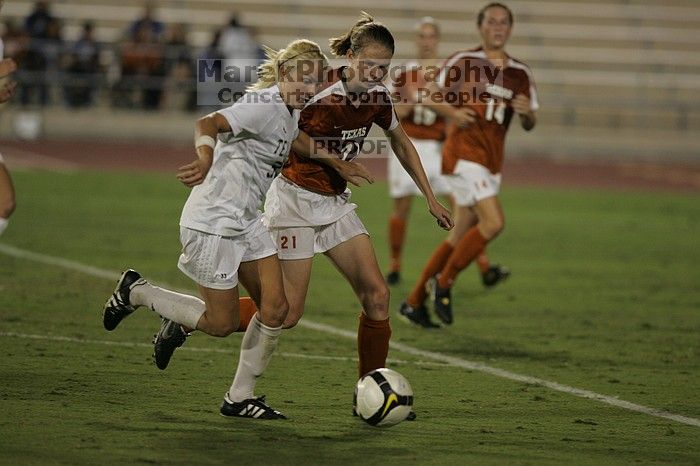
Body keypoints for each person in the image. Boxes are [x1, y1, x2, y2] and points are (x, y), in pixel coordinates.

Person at [101, 39, 341, 419]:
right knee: (221, 323)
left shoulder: (289, 109)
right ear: (283, 74)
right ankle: (138, 292)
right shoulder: (263, 105)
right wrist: (205, 155)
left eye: (315, 83)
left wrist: (338, 163)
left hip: (245, 220)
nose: (309, 90)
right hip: (213, 221)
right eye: (301, 80)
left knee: (277, 309)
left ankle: (239, 397)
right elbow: (207, 122)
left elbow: (293, 137)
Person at [262, 12, 453, 389]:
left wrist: (430, 197)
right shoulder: (317, 87)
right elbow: (288, 133)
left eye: (382, 68)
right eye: (368, 65)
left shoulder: (379, 96)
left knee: (378, 296)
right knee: (285, 313)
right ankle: (196, 319)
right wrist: (335, 162)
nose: (375, 74)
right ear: (350, 54)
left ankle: (370, 390)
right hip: (293, 201)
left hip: (333, 205)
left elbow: (401, 141)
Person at [400, 2, 538, 326]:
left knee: (457, 235)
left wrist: (527, 113)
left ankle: (414, 301)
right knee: (493, 223)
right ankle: (444, 283)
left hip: (490, 162)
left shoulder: (520, 73)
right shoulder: (465, 61)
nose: (498, 27)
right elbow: (429, 94)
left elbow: (531, 122)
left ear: (510, 28)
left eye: (504, 22)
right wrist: (452, 113)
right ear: (481, 27)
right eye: (492, 21)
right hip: (463, 156)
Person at [385, 17, 509, 309]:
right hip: (409, 143)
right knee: (402, 205)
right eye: (422, 36)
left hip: (440, 147)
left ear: (437, 40)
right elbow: (391, 113)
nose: (427, 41)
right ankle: (395, 265)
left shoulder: (447, 72)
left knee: (463, 206)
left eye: (431, 36)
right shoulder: (403, 74)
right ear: (417, 40)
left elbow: (458, 108)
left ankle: (482, 266)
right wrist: (414, 101)